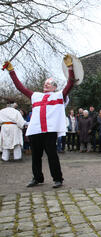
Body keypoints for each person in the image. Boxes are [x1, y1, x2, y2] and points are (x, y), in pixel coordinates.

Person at [3, 55, 74, 188]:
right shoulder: (35, 96)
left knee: (52, 155)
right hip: (36, 129)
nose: (46, 84)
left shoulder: (59, 95)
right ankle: (37, 178)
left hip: (50, 130)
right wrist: (11, 71)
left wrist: (70, 67)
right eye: (45, 82)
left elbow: (70, 84)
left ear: (54, 87)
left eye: (49, 83)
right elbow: (20, 87)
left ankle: (58, 179)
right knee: (36, 156)